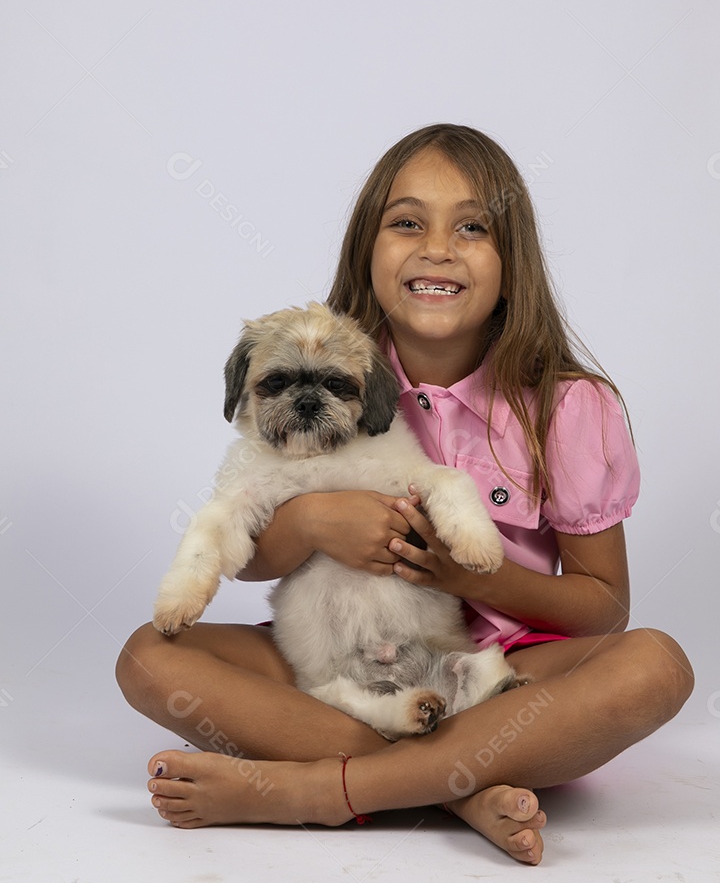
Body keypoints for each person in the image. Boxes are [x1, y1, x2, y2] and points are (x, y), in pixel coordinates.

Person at [116, 124, 693, 866]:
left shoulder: (568, 406)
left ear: (513, 265)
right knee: (147, 658)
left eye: (474, 226)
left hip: (497, 665)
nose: (438, 248)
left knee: (655, 666)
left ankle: (318, 792)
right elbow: (249, 561)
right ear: (368, 250)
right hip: (336, 650)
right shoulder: (328, 366)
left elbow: (605, 605)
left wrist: (464, 576)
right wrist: (317, 521)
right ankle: (457, 789)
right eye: (407, 222)